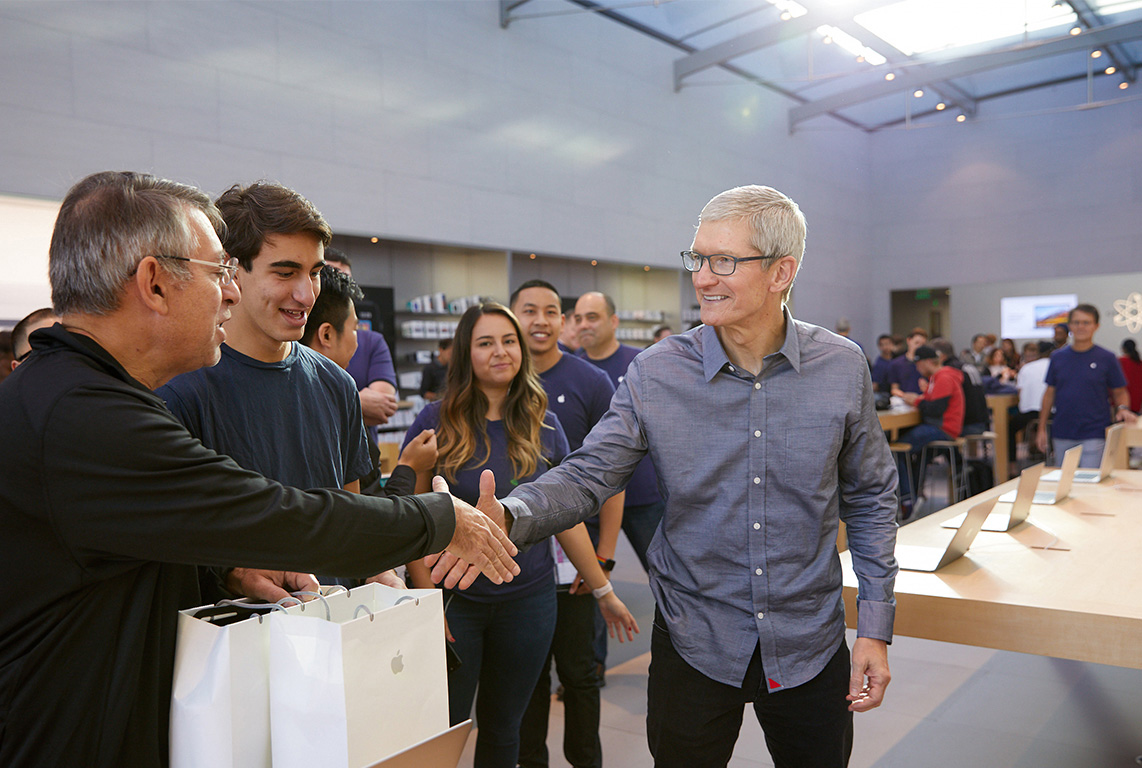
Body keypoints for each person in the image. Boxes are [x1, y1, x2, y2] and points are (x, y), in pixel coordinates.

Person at [0, 170, 518, 768]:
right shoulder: (83, 416)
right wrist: (437, 516)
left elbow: (168, 533)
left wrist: (230, 567)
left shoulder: (83, 395)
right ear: (155, 284)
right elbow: (266, 513)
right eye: (219, 272)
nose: (228, 293)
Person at [439, 185, 898, 768]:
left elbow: (872, 494)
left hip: (810, 641)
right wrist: (511, 512)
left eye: (724, 261)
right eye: (697, 258)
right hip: (695, 640)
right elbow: (589, 473)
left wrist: (874, 627)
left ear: (782, 271)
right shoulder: (656, 373)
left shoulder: (841, 366)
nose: (702, 278)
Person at [403, 302, 637, 768]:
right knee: (441, 729)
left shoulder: (543, 423)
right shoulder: (435, 422)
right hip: (455, 604)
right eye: (485, 342)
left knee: (504, 728)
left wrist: (602, 587)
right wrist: (426, 605)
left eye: (508, 341)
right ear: (465, 353)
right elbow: (411, 520)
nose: (501, 351)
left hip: (528, 601)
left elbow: (565, 515)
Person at [157, 182, 400, 594]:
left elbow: (353, 516)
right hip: (237, 636)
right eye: (285, 272)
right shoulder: (178, 390)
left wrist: (377, 570)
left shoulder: (336, 384)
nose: (306, 294)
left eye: (315, 273)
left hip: (337, 626)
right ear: (229, 270)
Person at [510, 280, 625, 768]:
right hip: (517, 564)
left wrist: (603, 553)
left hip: (577, 562)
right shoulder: (495, 381)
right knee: (528, 680)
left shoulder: (591, 382)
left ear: (565, 321)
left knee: (580, 676)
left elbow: (615, 474)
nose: (540, 320)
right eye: (528, 310)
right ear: (511, 315)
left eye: (552, 311)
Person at [300, 265, 438, 498]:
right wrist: (409, 466)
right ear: (326, 335)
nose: (358, 341)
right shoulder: (338, 406)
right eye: (355, 329)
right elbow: (372, 516)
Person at [1037, 305, 1136, 466]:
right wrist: (1041, 428)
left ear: (1096, 326)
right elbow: (1049, 393)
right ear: (1070, 326)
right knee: (1064, 484)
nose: (1081, 327)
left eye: (1086, 322)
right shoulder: (1057, 358)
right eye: (1076, 322)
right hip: (1062, 432)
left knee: (1090, 482)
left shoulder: (1107, 358)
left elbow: (1119, 391)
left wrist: (1123, 408)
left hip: (1094, 432)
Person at [324, 248, 401, 444]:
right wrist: (357, 402)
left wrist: (332, 405)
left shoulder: (371, 341)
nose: (338, 287)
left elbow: (381, 407)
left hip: (363, 454)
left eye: (344, 279)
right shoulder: (295, 337)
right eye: (328, 275)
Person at [897, 345, 965, 507]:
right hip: (945, 428)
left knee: (896, 451)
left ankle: (906, 500)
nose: (917, 368)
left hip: (942, 428)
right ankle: (912, 497)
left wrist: (916, 400)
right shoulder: (940, 378)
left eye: (918, 364)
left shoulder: (944, 378)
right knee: (915, 454)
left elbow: (935, 409)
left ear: (927, 362)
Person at [1009, 340, 1053, 476]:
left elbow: (1020, 393)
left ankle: (1011, 465)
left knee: (1010, 428)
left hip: (1029, 414)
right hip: (1052, 414)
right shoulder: (1053, 365)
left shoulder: (1026, 368)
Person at [887, 327, 927, 397]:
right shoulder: (896, 363)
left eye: (922, 345)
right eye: (916, 343)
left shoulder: (927, 364)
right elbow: (894, 388)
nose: (919, 347)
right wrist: (906, 396)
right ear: (908, 340)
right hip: (903, 401)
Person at [420, 337, 452, 401]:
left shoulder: (452, 367)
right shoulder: (430, 368)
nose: (452, 356)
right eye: (450, 353)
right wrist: (440, 396)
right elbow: (423, 393)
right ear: (441, 350)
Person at [1119, 338, 1142, 414]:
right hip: (1137, 399)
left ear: (1123, 348)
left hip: (1122, 400)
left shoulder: (1121, 361)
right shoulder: (1139, 363)